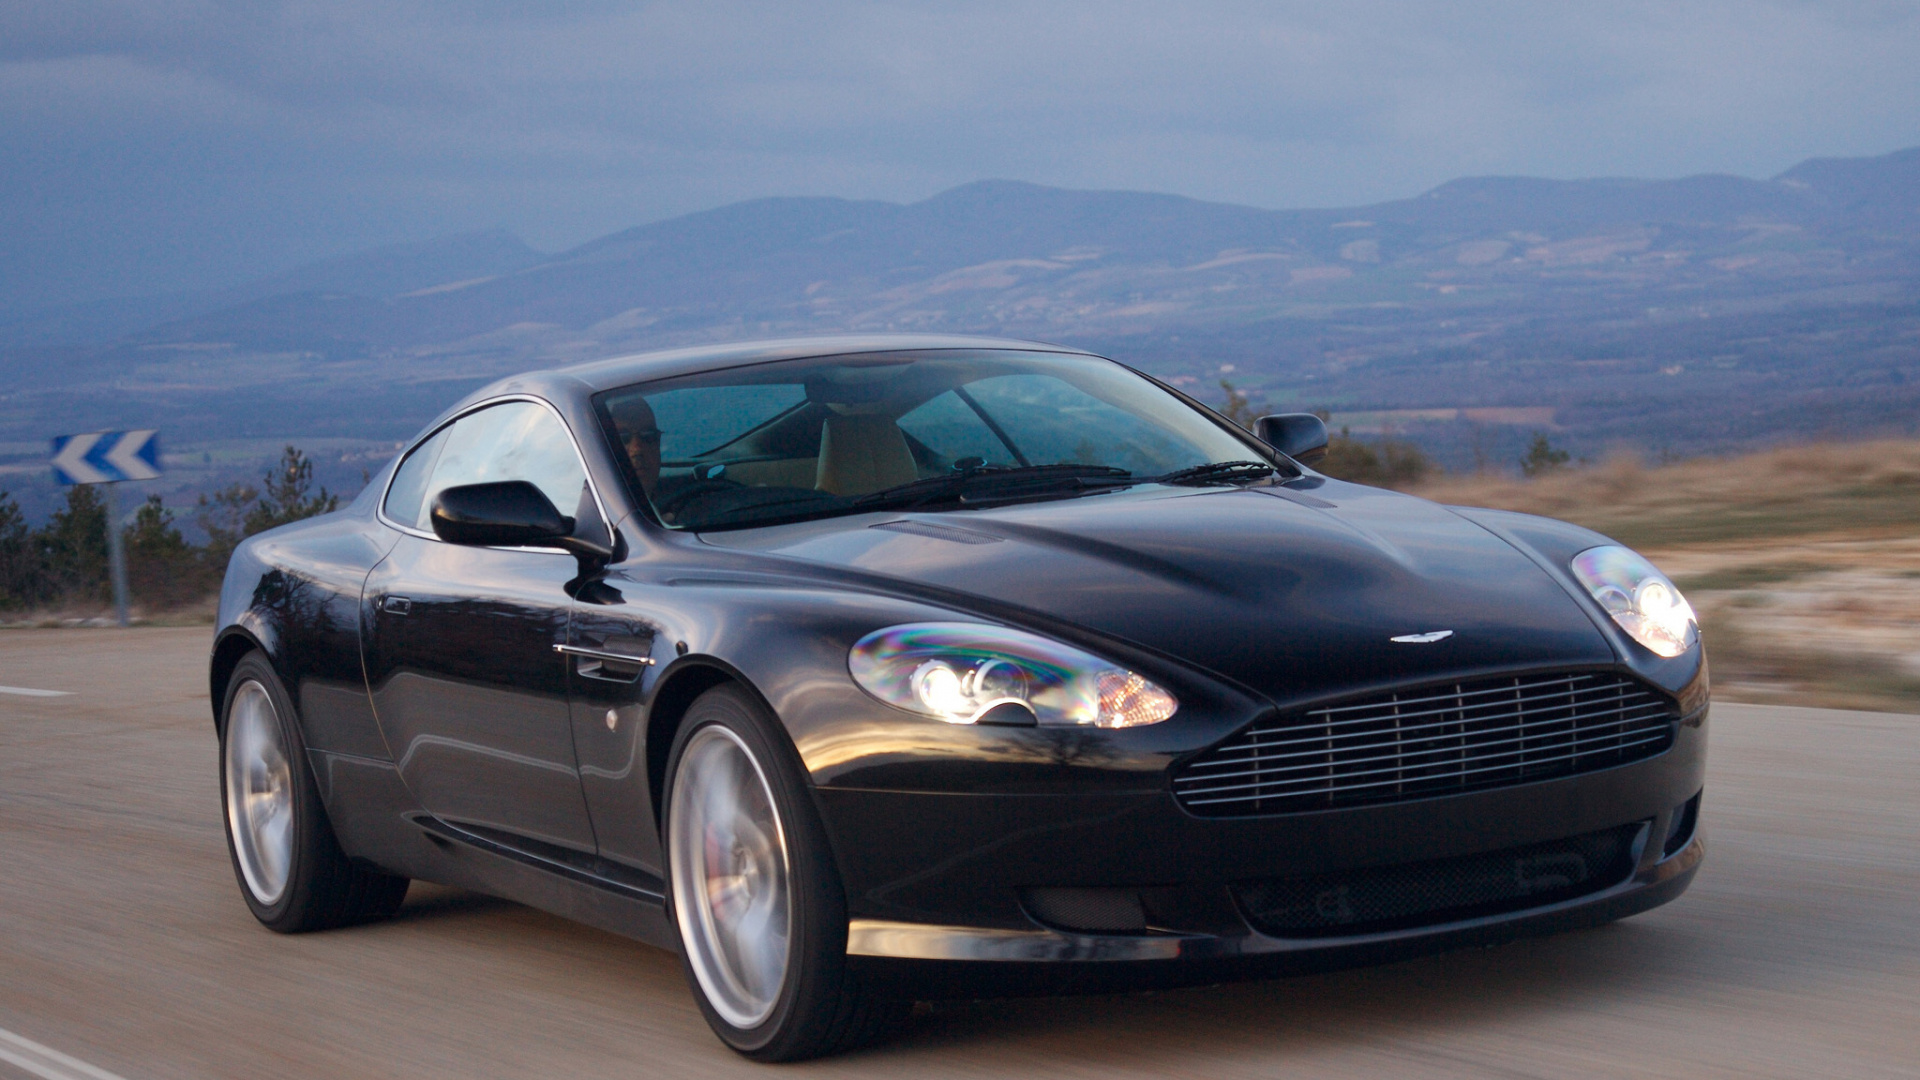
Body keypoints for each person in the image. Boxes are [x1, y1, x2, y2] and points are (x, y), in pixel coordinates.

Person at [611, 396, 662, 496]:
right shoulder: (593, 508)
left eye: (648, 436)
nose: (637, 449)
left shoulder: (681, 502)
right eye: (622, 438)